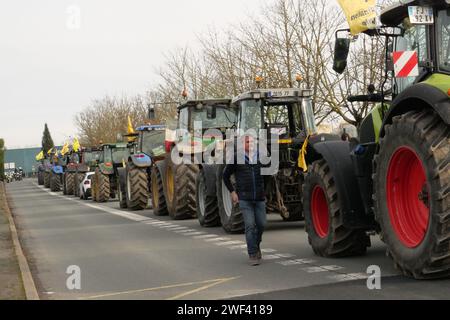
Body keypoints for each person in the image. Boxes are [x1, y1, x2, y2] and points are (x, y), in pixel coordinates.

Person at [223, 135, 267, 266]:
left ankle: (256, 244)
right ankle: (253, 253)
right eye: (248, 142)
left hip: (259, 198)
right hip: (244, 199)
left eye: (253, 142)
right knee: (249, 225)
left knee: (261, 224)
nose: (251, 144)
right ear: (243, 144)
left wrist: (265, 191)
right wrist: (232, 192)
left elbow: (268, 175)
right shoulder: (236, 158)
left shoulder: (261, 157)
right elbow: (225, 176)